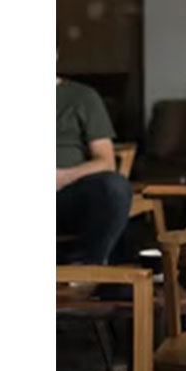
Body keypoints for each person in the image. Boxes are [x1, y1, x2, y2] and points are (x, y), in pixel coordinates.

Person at [56, 73, 131, 265]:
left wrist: (62, 177)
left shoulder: (82, 97)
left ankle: (90, 266)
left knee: (115, 187)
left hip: (66, 193)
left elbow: (106, 162)